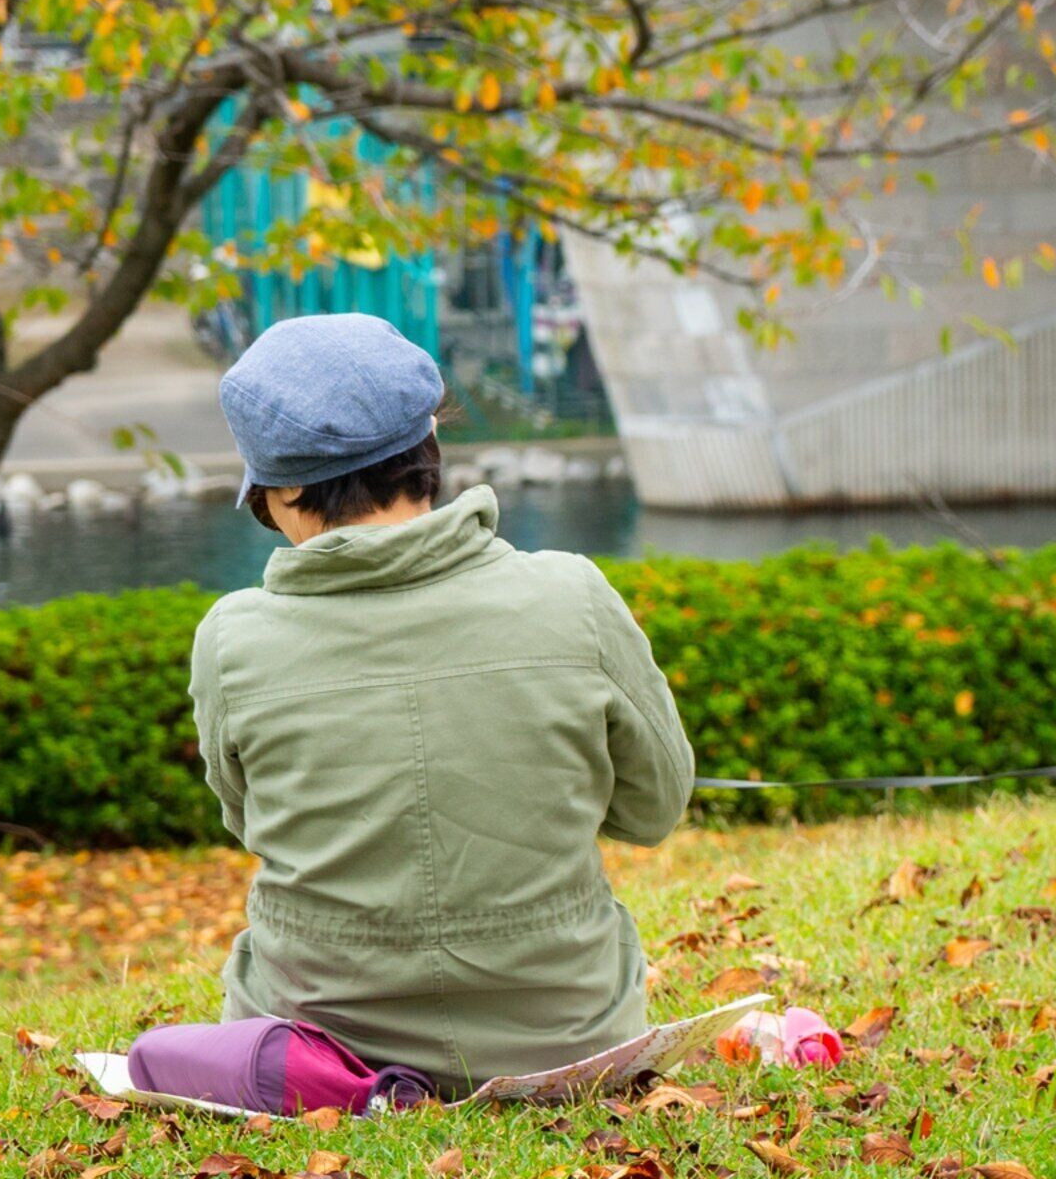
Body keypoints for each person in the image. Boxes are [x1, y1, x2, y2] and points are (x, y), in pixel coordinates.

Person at [122, 312, 693, 1114]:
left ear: (282, 492)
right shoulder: (573, 595)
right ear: (428, 447)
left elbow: (255, 824)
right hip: (569, 1044)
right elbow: (655, 808)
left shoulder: (231, 638)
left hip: (319, 1061)